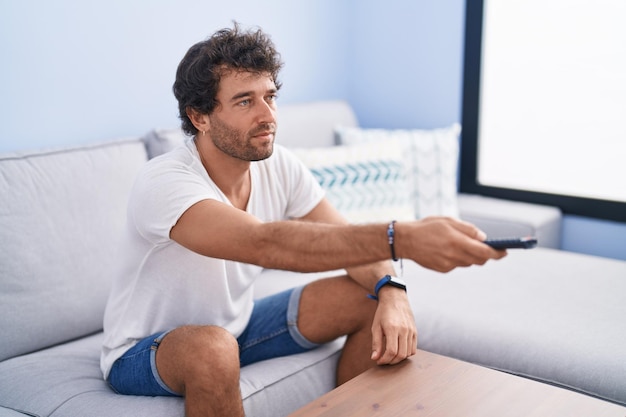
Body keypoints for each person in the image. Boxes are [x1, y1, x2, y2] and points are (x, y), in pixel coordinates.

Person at [101, 23, 506, 417]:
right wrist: (400, 237)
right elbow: (264, 243)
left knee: (368, 295)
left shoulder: (279, 164)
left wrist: (392, 288)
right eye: (245, 101)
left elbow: (343, 237)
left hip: (237, 327)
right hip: (144, 351)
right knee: (213, 349)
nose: (268, 116)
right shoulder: (165, 181)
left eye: (270, 97)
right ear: (200, 117)